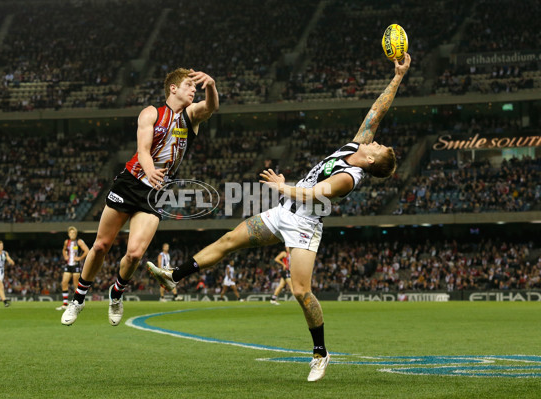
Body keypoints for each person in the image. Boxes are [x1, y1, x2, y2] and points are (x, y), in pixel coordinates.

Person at [148, 54, 411, 381]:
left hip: (305, 225)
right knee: (228, 241)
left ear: (373, 161)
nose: (379, 142)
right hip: (283, 212)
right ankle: (174, 276)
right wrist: (398, 76)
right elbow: (378, 109)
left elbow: (313, 195)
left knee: (301, 291)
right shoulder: (358, 144)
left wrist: (281, 186)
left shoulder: (350, 177)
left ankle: (320, 353)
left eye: (381, 148)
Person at [61, 68, 218, 326]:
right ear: (173, 89)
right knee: (101, 245)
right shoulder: (151, 113)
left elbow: (211, 107)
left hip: (155, 193)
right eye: (189, 85)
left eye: (196, 86)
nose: (194, 89)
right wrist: (149, 171)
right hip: (130, 183)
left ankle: (116, 293)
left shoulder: (191, 117)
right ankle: (78, 299)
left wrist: (210, 85)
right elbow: (143, 150)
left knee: (134, 254)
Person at [56, 226, 90, 310]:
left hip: (76, 265)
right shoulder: (66, 242)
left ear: (76, 234)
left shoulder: (79, 241)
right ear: (68, 234)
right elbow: (64, 250)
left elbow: (87, 250)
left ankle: (77, 303)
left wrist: (80, 258)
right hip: (68, 265)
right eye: (71, 233)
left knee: (76, 285)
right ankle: (65, 304)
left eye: (74, 233)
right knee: (64, 282)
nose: (72, 234)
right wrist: (65, 256)